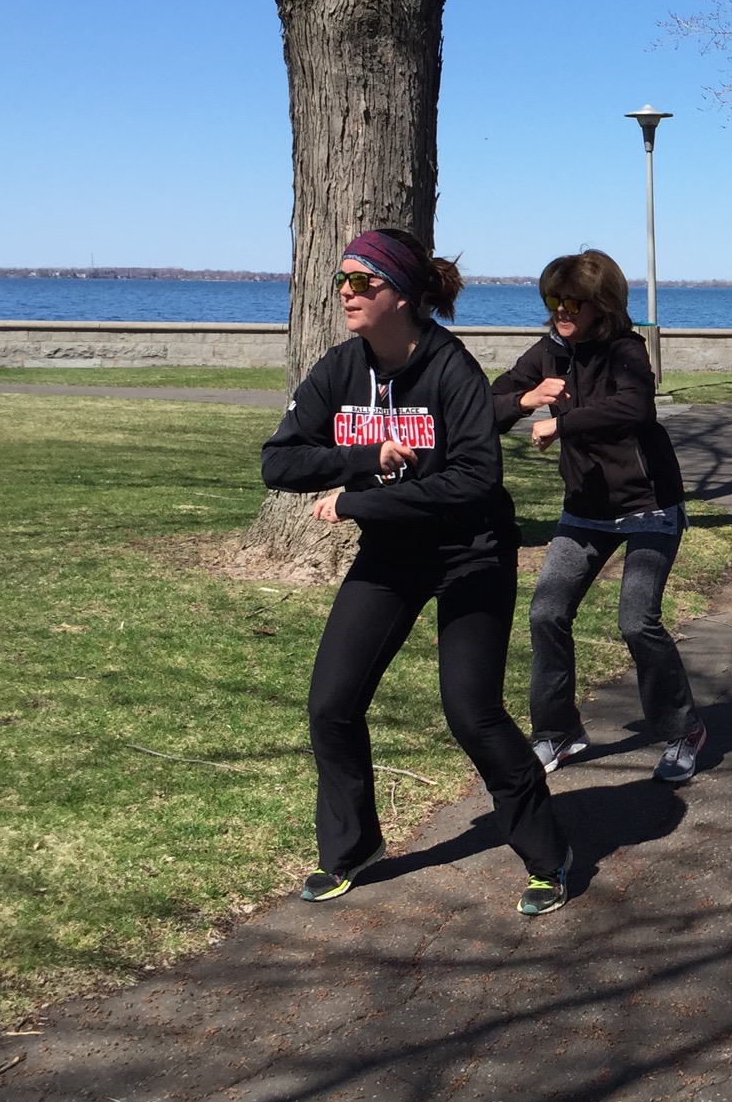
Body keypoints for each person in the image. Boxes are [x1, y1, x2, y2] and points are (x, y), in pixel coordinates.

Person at [262, 229, 572, 916]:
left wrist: (358, 500)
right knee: (331, 705)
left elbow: (473, 480)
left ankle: (550, 856)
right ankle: (353, 845)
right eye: (341, 280)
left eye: (361, 282)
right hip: (393, 554)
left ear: (398, 294)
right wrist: (364, 457)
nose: (346, 293)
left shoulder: (449, 369)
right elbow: (277, 461)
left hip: (472, 553)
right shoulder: (342, 371)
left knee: (471, 711)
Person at [492, 250, 707, 786]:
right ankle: (558, 730)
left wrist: (562, 424)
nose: (561, 310)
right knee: (546, 613)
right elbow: (486, 402)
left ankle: (683, 730)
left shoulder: (625, 350)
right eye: (553, 299)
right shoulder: (549, 352)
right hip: (586, 510)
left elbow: (635, 409)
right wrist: (525, 399)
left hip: (649, 504)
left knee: (636, 620)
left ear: (602, 304)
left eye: (573, 301)